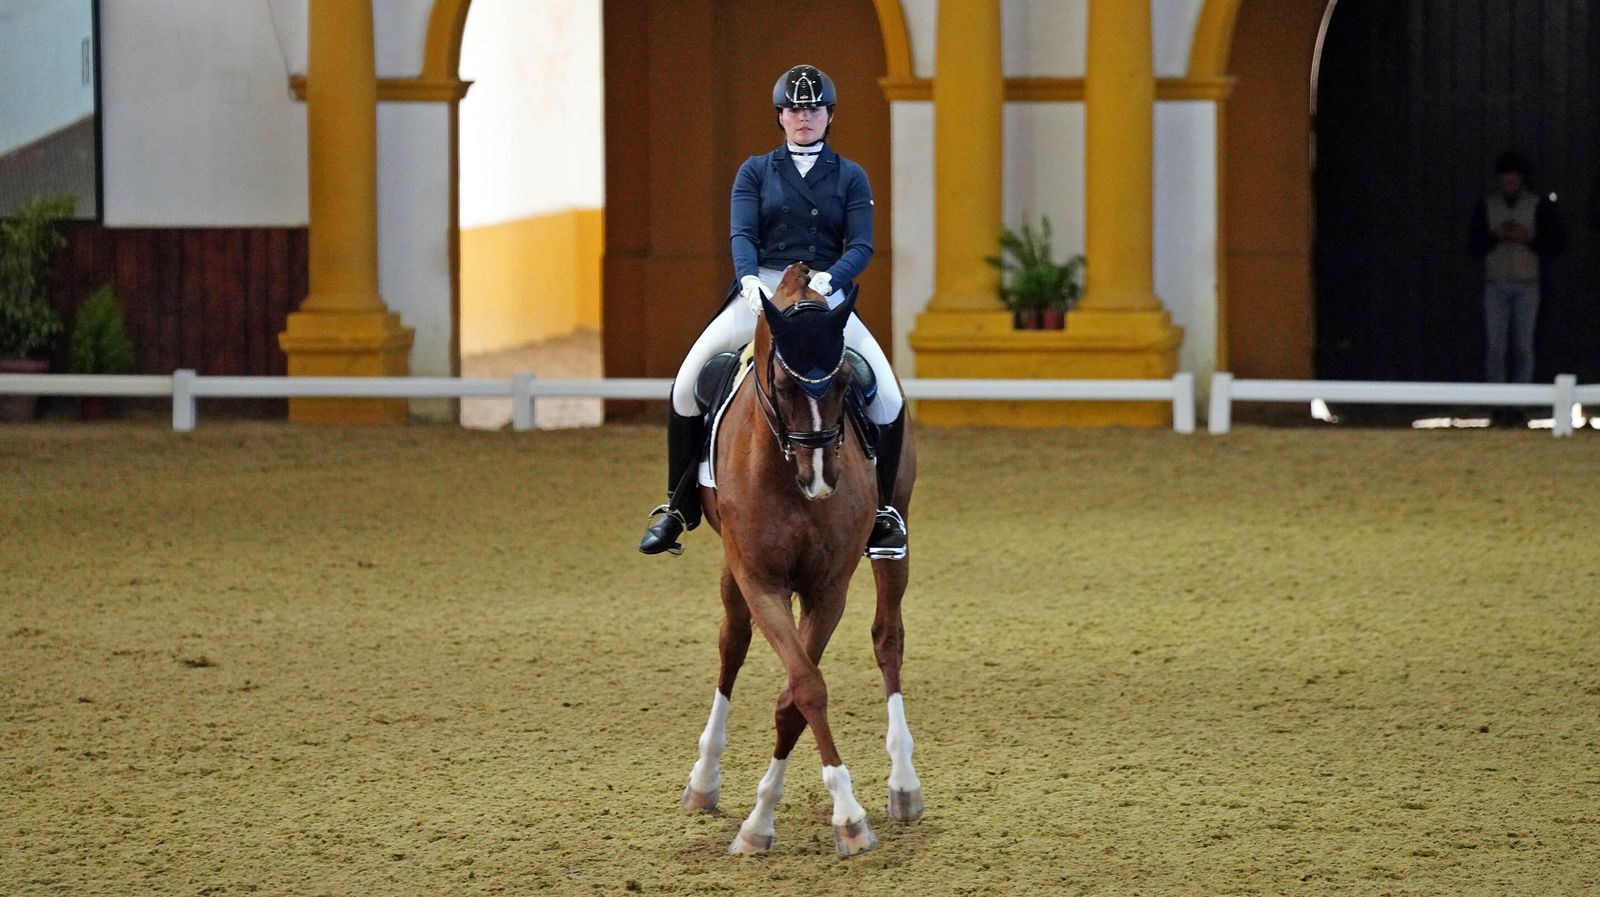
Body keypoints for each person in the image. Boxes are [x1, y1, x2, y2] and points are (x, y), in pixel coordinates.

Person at [637, 64, 908, 560]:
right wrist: (747, 278)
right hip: (762, 289)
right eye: (794, 110)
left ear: (829, 116)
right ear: (780, 116)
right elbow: (742, 233)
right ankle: (678, 505)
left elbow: (862, 245)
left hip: (824, 293)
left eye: (814, 110)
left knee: (888, 395)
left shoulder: (850, 175)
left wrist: (831, 278)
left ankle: (885, 512)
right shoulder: (756, 171)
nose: (804, 118)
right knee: (685, 383)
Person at [1466, 150, 1564, 385]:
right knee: (1495, 347)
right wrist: (1496, 236)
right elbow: (1473, 246)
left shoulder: (1537, 204)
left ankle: (1521, 397)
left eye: (1513, 180)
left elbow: (1555, 245)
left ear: (1521, 180)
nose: (1509, 185)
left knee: (1523, 347)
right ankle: (1497, 398)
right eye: (1505, 180)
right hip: (1495, 284)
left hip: (1527, 284)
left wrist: (1528, 238)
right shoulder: (1487, 205)